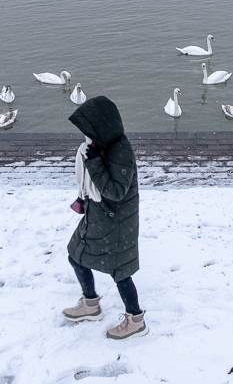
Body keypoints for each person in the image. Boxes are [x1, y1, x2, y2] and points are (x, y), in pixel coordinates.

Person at [62, 95, 147, 339]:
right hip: (98, 215)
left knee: (121, 272)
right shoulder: (102, 145)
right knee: (76, 254)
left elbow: (116, 192)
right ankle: (90, 304)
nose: (85, 135)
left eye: (88, 129)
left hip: (116, 222)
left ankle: (136, 320)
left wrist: (95, 163)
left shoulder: (120, 152)